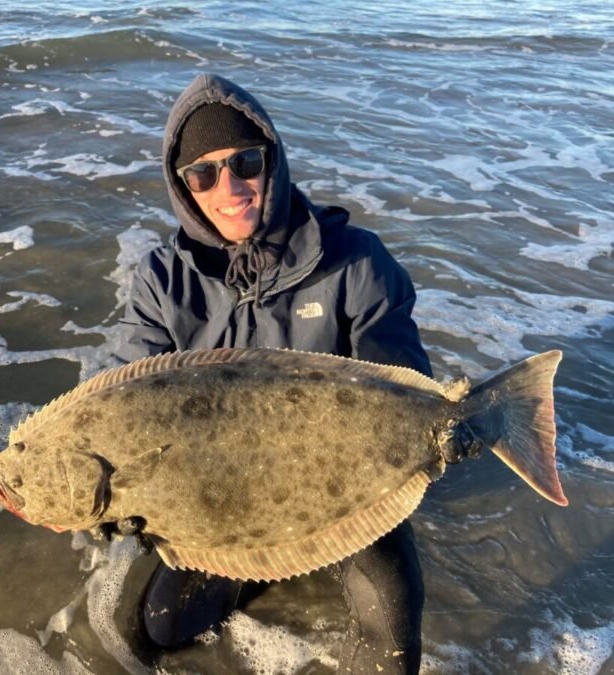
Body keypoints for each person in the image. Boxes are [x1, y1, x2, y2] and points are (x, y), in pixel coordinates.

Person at [113, 72, 431, 674]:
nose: (228, 188)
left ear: (274, 162)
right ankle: (250, 575)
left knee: (391, 636)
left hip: (341, 486)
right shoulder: (159, 280)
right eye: (202, 174)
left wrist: (432, 431)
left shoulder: (358, 263)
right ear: (182, 187)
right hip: (214, 494)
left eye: (245, 162)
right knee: (153, 629)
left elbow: (401, 386)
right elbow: (126, 400)